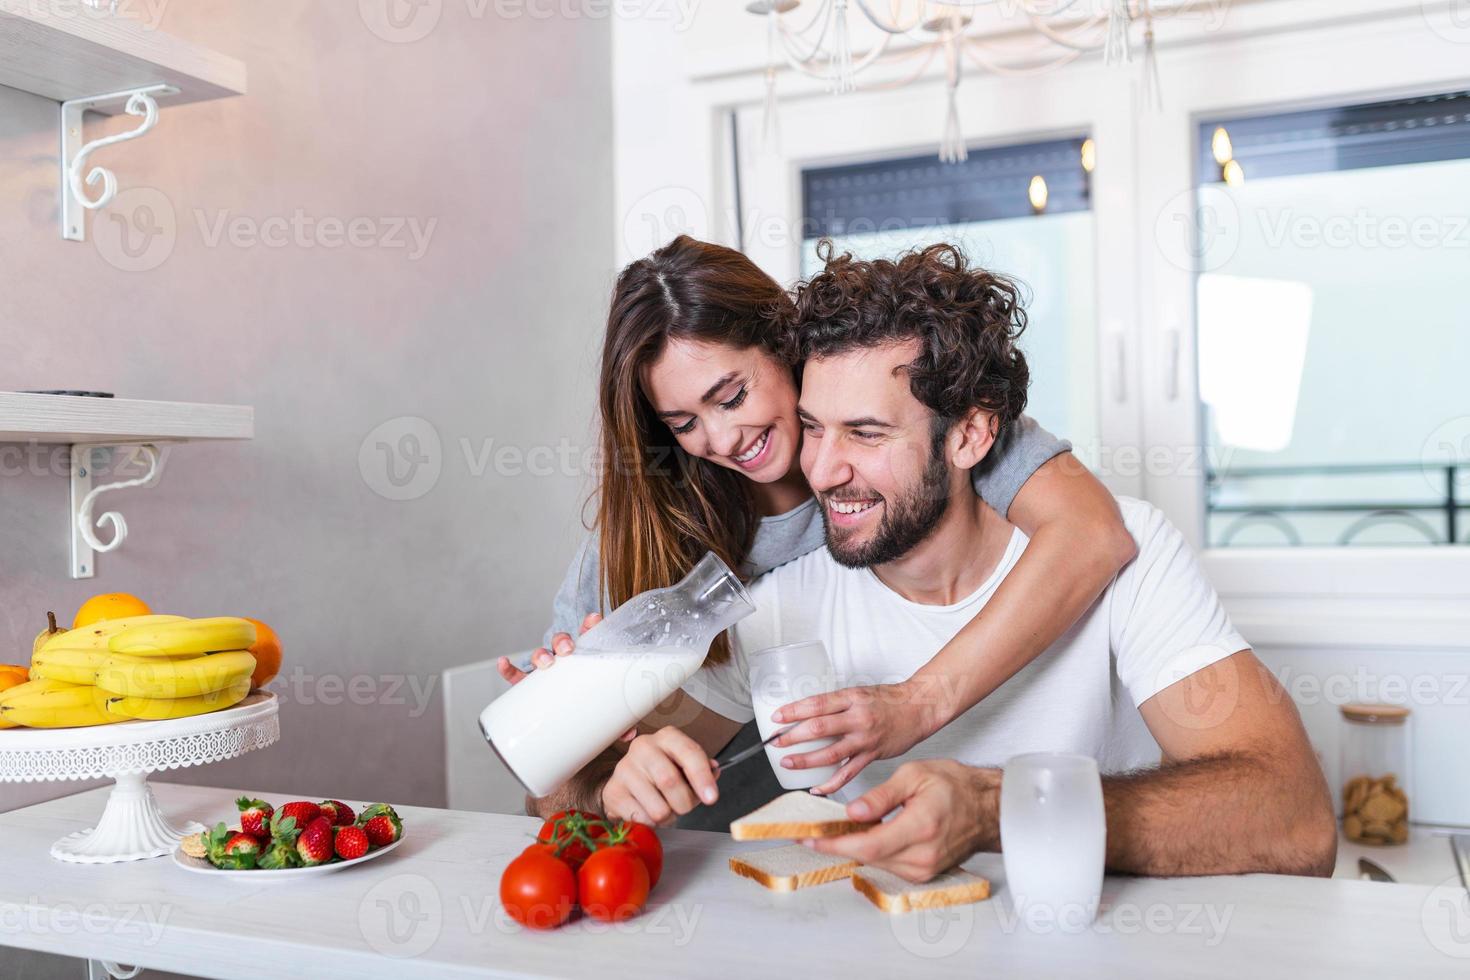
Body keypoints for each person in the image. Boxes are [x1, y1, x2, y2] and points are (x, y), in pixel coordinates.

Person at [539, 243, 1337, 882]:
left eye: (869, 434)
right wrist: (615, 769)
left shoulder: (1123, 545)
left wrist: (999, 808)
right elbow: (569, 797)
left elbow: (1296, 818)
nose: (819, 474)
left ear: (971, 437)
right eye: (816, 429)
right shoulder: (775, 602)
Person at [506, 236, 1136, 830]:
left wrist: (917, 705)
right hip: (698, 844)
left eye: (731, 396)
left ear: (783, 346)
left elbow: (1091, 533)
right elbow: (550, 795)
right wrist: (597, 755)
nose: (721, 441)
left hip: (842, 819)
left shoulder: (911, 426)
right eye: (682, 422)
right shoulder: (648, 541)